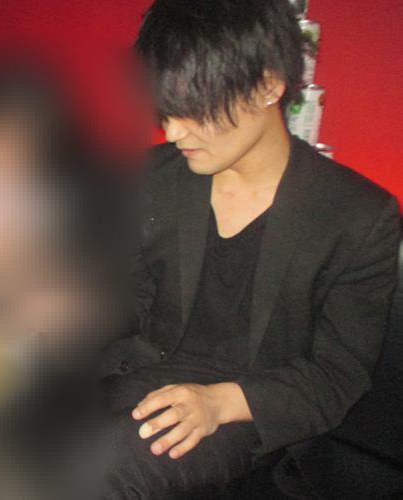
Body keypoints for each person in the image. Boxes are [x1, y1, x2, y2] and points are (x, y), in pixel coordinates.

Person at [98, 0, 401, 497]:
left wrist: (220, 402)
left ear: (268, 85)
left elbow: (336, 375)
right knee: (1, 421)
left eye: (194, 108)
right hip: (138, 373)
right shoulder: (157, 177)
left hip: (243, 410)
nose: (173, 131)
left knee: (101, 467)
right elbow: (136, 297)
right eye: (166, 108)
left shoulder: (358, 217)